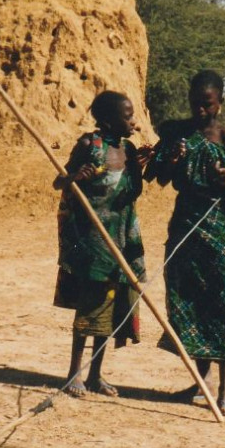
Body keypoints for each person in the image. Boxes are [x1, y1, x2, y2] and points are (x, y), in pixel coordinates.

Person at [141, 70, 225, 416]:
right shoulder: (177, 133)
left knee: (223, 302)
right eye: (195, 104)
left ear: (220, 103)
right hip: (185, 226)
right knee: (190, 300)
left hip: (218, 231)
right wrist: (172, 160)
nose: (200, 111)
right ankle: (199, 380)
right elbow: (157, 177)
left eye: (207, 105)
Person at [54, 91, 146, 398]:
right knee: (90, 307)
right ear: (108, 121)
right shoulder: (88, 145)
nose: (133, 121)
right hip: (94, 241)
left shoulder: (127, 150)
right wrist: (75, 177)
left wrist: (140, 167)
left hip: (121, 238)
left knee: (108, 309)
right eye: (127, 116)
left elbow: (130, 192)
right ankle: (73, 374)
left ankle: (95, 374)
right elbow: (60, 182)